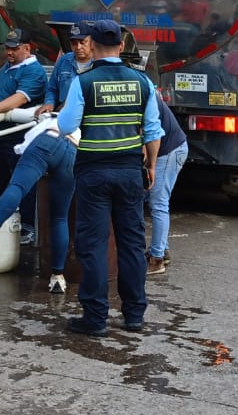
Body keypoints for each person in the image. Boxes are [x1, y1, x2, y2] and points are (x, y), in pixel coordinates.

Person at [57, 20, 163, 337]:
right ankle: (133, 315)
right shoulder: (141, 81)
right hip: (131, 171)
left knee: (93, 245)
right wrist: (152, 167)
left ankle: (95, 317)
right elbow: (154, 131)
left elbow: (65, 126)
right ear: (121, 45)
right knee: (131, 244)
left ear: (92, 45)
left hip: (93, 173)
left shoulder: (84, 81)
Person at [0, 113, 76, 293]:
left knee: (17, 186)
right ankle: (58, 277)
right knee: (60, 218)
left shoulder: (59, 105)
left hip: (47, 139)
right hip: (73, 151)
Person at [0, 29, 48, 244]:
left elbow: (20, 98)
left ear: (27, 48)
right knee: (0, 181)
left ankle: (27, 227)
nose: (9, 52)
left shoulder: (33, 71)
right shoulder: (8, 67)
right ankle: (1, 224)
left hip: (18, 136)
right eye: (7, 48)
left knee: (21, 182)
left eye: (14, 48)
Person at [145, 94, 187, 276]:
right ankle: (161, 249)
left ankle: (157, 260)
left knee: (158, 203)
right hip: (165, 147)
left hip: (168, 150)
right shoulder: (138, 84)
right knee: (154, 200)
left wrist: (150, 166)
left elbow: (148, 136)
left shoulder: (141, 92)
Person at [39, 23, 92, 115]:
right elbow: (52, 89)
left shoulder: (99, 63)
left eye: (82, 42)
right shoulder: (64, 61)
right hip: (63, 113)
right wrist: (49, 103)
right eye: (74, 43)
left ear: (92, 42)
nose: (78, 47)